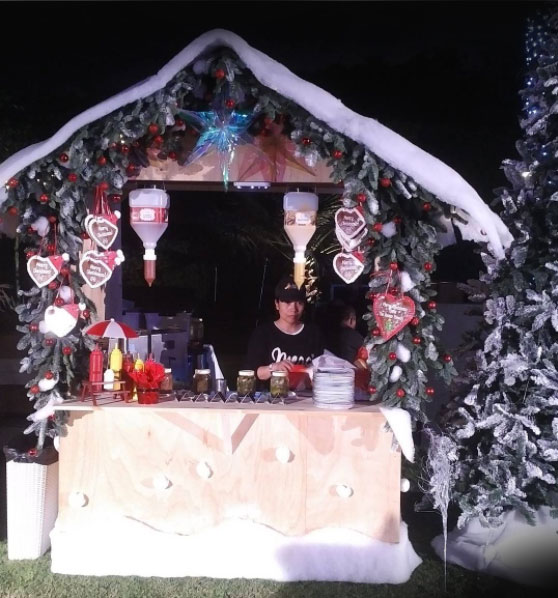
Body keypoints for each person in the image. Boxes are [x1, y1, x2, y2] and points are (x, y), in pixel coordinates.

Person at [244, 275, 325, 385]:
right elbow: (252, 372)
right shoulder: (263, 334)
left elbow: (324, 367)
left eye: (299, 303)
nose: (293, 309)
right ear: (277, 304)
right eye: (287, 302)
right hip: (273, 393)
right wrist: (274, 367)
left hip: (307, 394)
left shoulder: (314, 333)